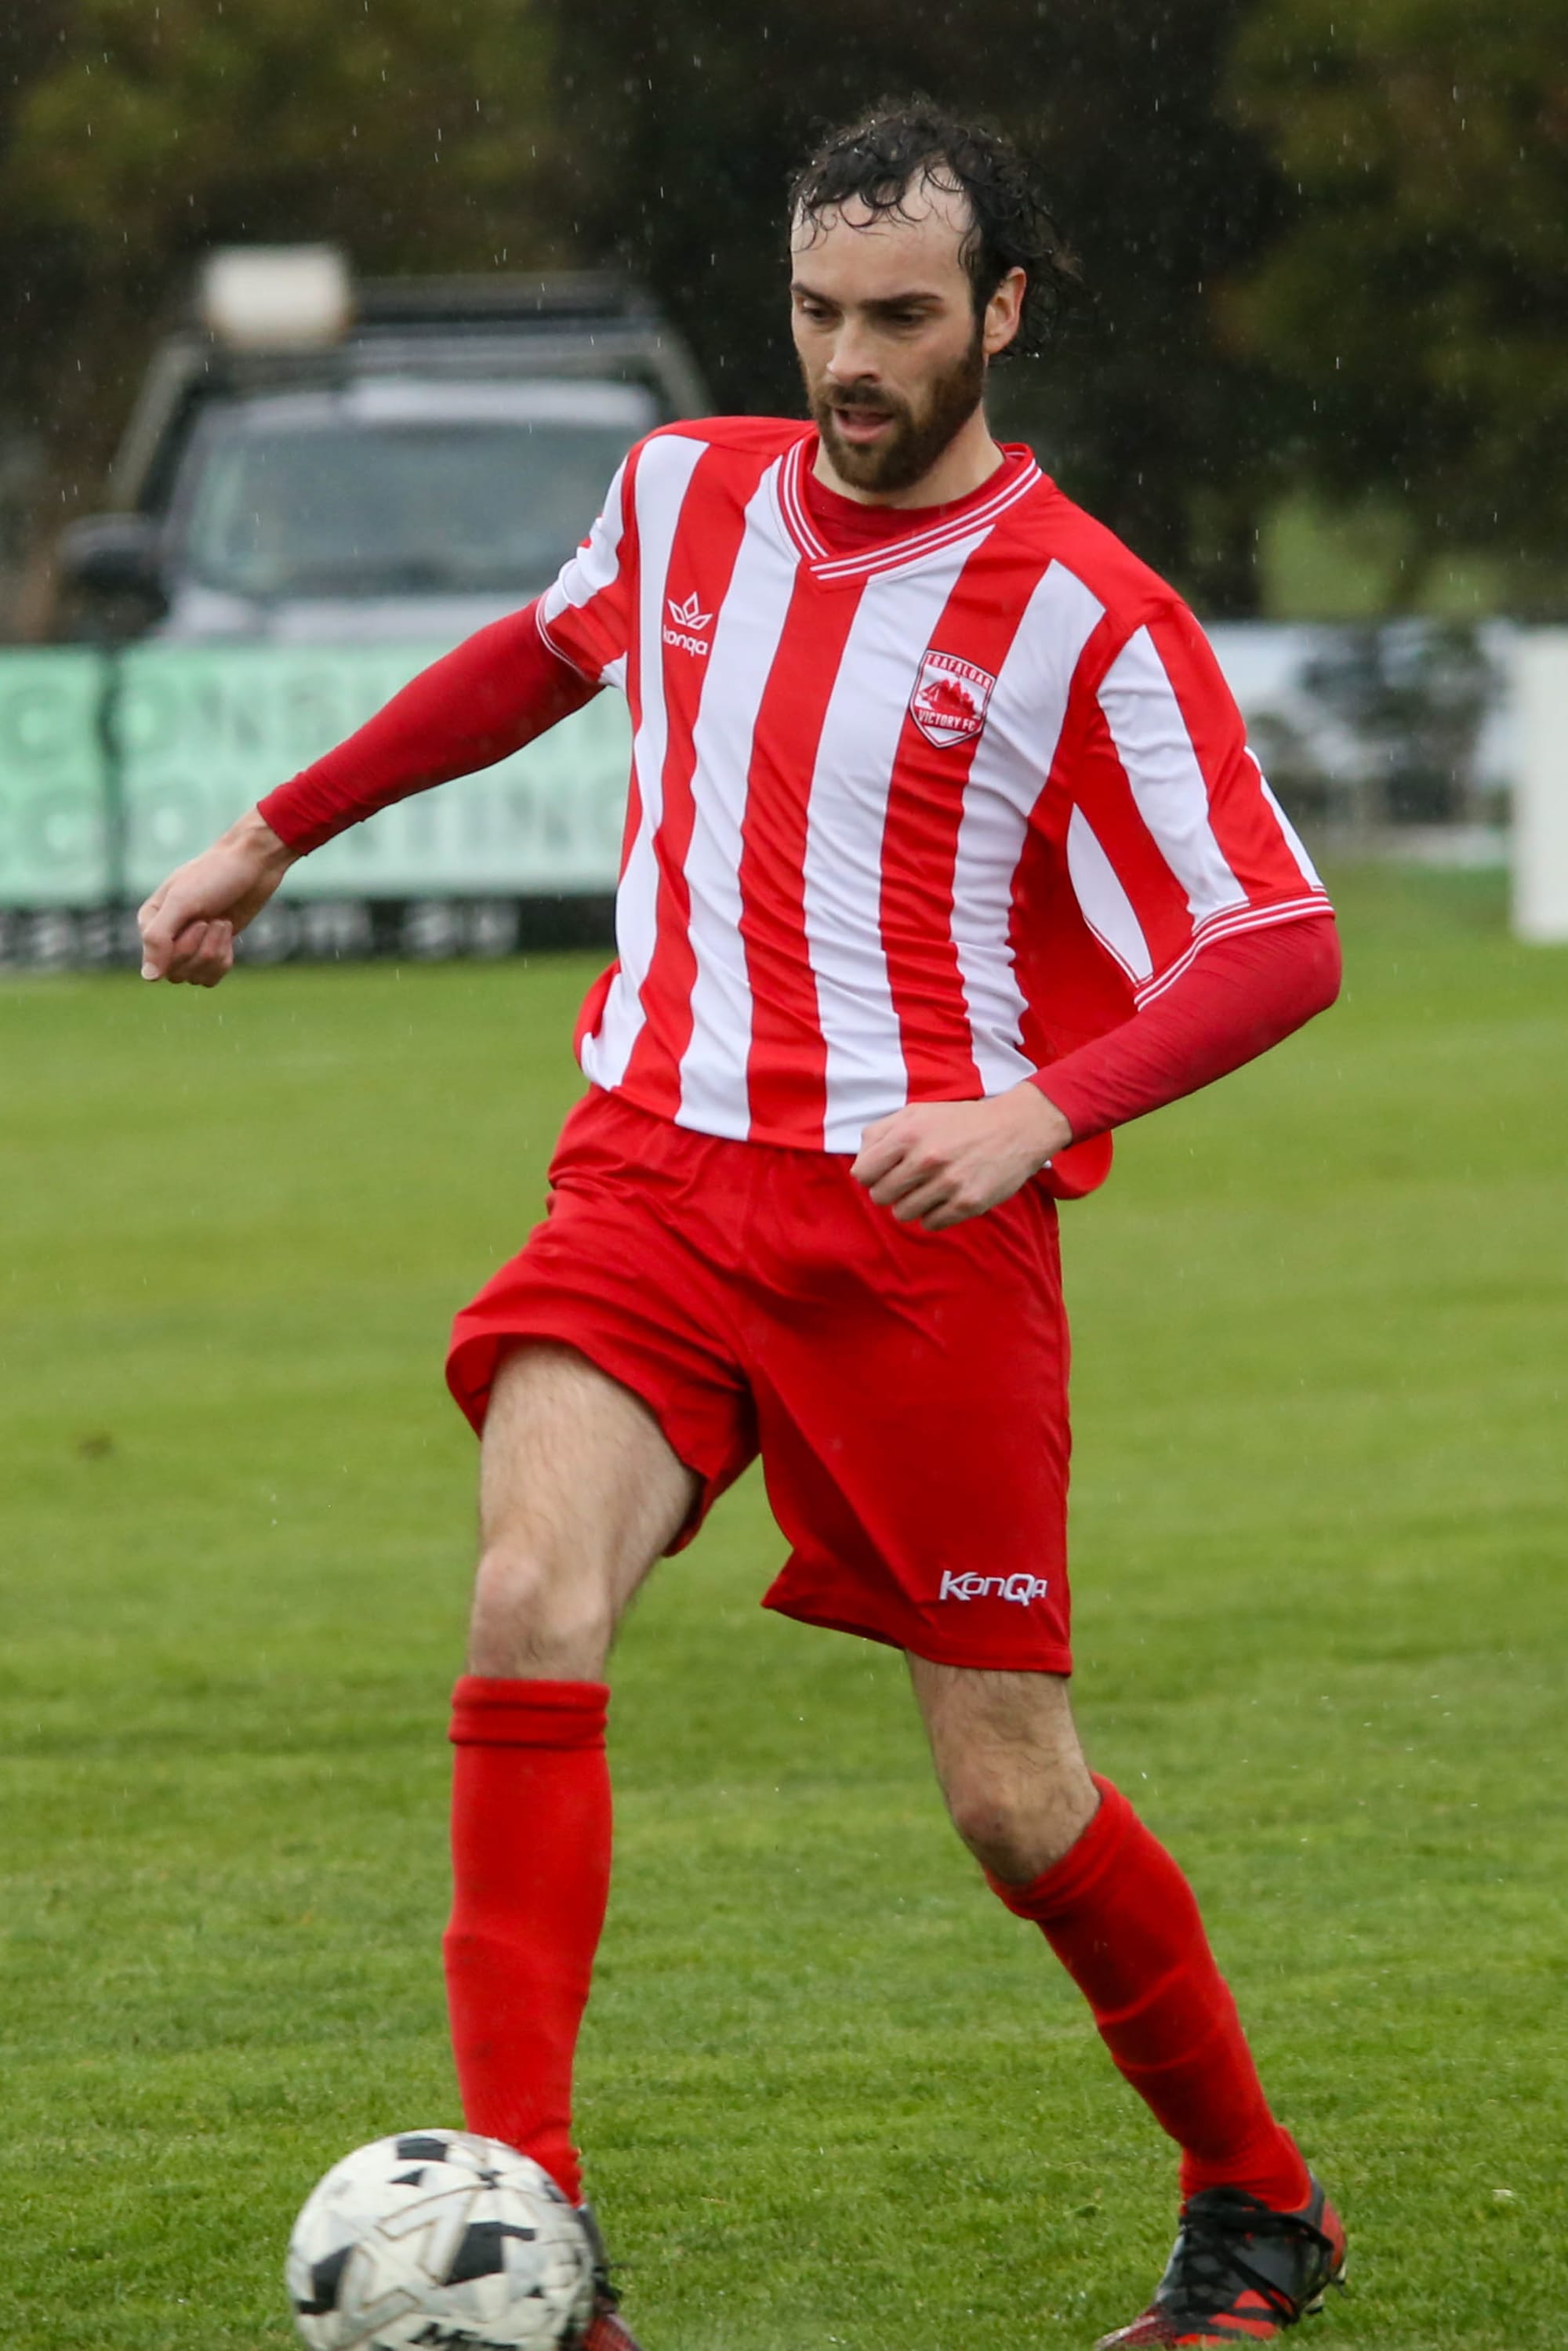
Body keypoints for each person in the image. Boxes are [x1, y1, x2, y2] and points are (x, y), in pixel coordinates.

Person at [138, 103, 1348, 2351]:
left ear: (1002, 310)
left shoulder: (1094, 609)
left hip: (919, 1242)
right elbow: (537, 656)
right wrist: (269, 833)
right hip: (655, 1175)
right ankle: (542, 2238)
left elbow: (1282, 937)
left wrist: (1034, 1112)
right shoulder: (685, 488)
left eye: (902, 318)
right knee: (526, 1595)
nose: (853, 362)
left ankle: (1255, 2201)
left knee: (1011, 1801)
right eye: (819, 313)